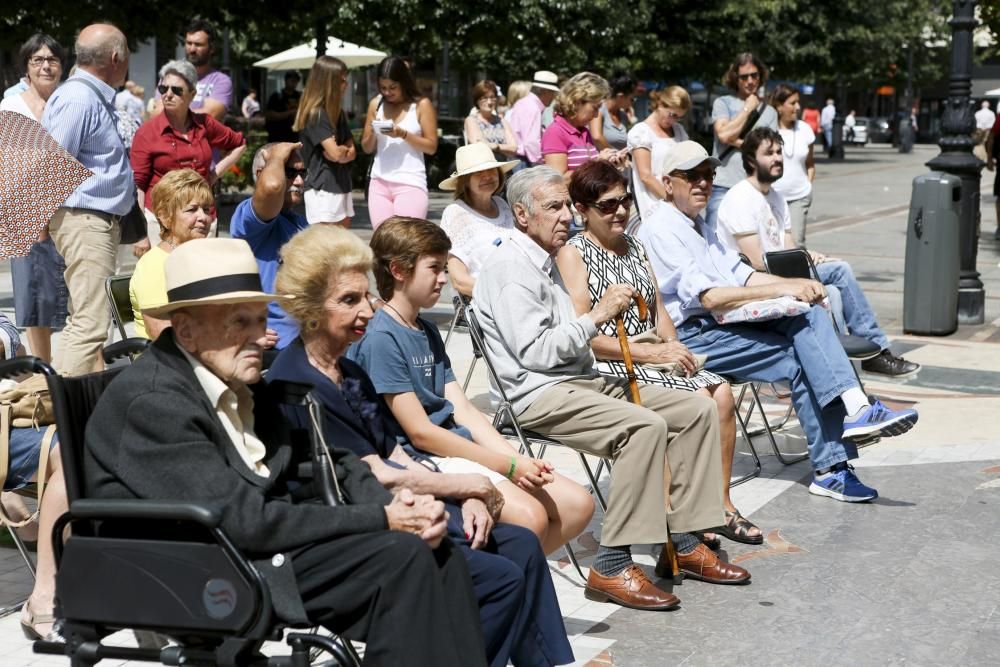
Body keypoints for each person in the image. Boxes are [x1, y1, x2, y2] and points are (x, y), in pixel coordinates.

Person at [86, 238, 488, 666]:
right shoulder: (155, 402)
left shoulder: (234, 376)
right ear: (185, 329)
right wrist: (382, 518)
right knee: (402, 557)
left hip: (248, 542)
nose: (261, 337)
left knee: (434, 551)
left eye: (261, 320)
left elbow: (324, 457)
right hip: (194, 566)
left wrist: (395, 502)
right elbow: (242, 521)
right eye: (240, 322)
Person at [268, 226, 575, 667]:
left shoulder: (348, 373)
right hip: (361, 526)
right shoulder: (296, 383)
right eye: (349, 300)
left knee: (522, 545)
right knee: (499, 577)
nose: (368, 311)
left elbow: (395, 450)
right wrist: (464, 486)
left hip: (403, 502)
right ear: (311, 308)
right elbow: (366, 475)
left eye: (366, 296)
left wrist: (465, 491)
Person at [475, 166, 750, 611]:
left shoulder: (542, 258)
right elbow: (537, 354)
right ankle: (611, 563)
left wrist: (632, 342)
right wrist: (597, 315)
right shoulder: (511, 267)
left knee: (694, 410)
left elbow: (568, 339)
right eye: (554, 207)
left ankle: (681, 538)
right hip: (537, 395)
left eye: (566, 205)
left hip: (577, 380)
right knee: (643, 427)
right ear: (522, 215)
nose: (565, 215)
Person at [635, 140, 919, 503]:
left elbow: (743, 275)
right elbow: (710, 297)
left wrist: (795, 285)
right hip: (690, 338)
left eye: (708, 175)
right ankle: (837, 455)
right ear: (667, 181)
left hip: (721, 325)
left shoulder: (698, 226)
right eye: (691, 176)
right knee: (803, 354)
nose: (703, 183)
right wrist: (781, 294)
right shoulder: (662, 228)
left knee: (809, 318)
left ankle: (854, 417)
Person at [351, 217, 595, 554]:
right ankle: (499, 591)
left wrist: (518, 459)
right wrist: (506, 466)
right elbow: (421, 433)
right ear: (398, 270)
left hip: (457, 447)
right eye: (434, 267)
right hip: (423, 458)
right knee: (531, 517)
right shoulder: (382, 338)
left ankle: (512, 584)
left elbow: (463, 409)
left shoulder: (425, 329)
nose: (444, 279)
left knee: (578, 505)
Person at [557, 159, 762, 544]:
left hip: (652, 352)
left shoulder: (635, 245)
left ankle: (719, 504)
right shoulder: (574, 253)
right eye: (607, 205)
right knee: (697, 397)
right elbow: (582, 335)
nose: (619, 211)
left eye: (625, 201)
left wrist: (672, 346)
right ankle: (678, 515)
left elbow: (660, 311)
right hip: (611, 362)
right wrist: (650, 355)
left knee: (721, 394)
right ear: (582, 210)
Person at [716, 128, 920, 378]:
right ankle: (875, 353)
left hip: (781, 274)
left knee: (833, 289)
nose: (778, 158)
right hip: (755, 285)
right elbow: (756, 263)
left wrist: (812, 257)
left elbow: (788, 248)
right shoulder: (740, 198)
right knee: (840, 271)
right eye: (769, 153)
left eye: (779, 152)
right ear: (750, 160)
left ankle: (845, 380)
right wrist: (806, 270)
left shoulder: (777, 198)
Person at [42, 23, 134, 376]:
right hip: (85, 220)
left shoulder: (85, 96)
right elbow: (52, 164)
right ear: (115, 58)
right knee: (92, 325)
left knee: (83, 320)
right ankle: (63, 415)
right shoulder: (79, 98)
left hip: (90, 220)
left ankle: (57, 410)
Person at [0, 33, 69, 363]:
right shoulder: (11, 104)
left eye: (52, 59)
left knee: (70, 300)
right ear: (26, 67)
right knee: (33, 301)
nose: (46, 65)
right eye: (38, 60)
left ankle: (72, 373)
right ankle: (44, 373)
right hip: (26, 215)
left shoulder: (70, 102)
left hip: (69, 214)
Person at [0, 314, 68, 642]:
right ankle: (43, 596)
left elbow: (8, 330)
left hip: (11, 410)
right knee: (69, 452)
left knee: (92, 437)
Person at [130, 59, 245, 216]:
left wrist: (214, 175)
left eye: (176, 90)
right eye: (163, 89)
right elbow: (138, 185)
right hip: (162, 220)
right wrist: (140, 233)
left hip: (202, 218)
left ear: (192, 94)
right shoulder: (147, 132)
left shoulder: (205, 123)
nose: (168, 95)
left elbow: (239, 144)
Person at [229, 142, 308, 351]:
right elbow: (271, 187)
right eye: (289, 172)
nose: (299, 181)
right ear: (260, 173)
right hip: (275, 347)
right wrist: (275, 157)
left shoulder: (300, 223)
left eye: (302, 172)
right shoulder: (248, 217)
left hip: (309, 340)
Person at [128, 169, 214, 340]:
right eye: (192, 210)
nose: (203, 217)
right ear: (165, 217)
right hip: (169, 360)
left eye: (206, 209)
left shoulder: (203, 258)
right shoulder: (154, 266)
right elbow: (163, 335)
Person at [361, 55, 438, 229]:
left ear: (404, 82)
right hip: (379, 182)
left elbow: (431, 147)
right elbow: (366, 148)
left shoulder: (421, 105)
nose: (387, 92)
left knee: (408, 241)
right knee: (383, 242)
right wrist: (374, 131)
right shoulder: (376, 104)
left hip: (410, 182)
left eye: (393, 87)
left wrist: (403, 134)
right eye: (383, 88)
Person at [707, 52, 778, 231]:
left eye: (754, 75)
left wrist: (735, 140)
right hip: (723, 185)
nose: (750, 81)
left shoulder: (769, 112)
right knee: (715, 240)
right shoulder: (723, 103)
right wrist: (747, 109)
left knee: (752, 240)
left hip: (755, 186)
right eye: (744, 77)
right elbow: (723, 135)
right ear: (735, 79)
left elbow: (768, 149)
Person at [439, 143, 519, 298]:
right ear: (465, 180)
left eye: (491, 170)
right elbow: (459, 280)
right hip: (481, 302)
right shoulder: (455, 213)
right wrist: (503, 296)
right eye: (478, 172)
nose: (487, 176)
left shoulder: (503, 205)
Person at [294, 56, 356, 228]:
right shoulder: (317, 114)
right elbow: (337, 154)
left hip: (340, 184)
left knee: (341, 245)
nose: (346, 85)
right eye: (342, 80)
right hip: (322, 187)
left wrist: (340, 150)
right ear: (329, 83)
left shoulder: (338, 113)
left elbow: (350, 152)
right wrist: (341, 151)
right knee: (325, 247)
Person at [628, 85, 691, 225]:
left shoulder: (679, 131)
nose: (674, 120)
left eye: (679, 117)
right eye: (672, 115)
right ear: (661, 104)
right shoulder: (641, 132)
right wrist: (672, 202)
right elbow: (646, 176)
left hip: (680, 201)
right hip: (654, 203)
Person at [542, 72, 623, 182]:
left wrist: (609, 163)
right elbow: (558, 180)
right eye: (595, 108)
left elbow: (587, 172)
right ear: (577, 102)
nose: (595, 115)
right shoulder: (555, 132)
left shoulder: (584, 131)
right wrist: (598, 163)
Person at [152, 20, 232, 120]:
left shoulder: (221, 81)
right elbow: (156, 114)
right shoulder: (170, 77)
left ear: (212, 48)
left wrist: (172, 115)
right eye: (189, 43)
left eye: (198, 45)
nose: (192, 49)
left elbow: (209, 116)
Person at [769, 83, 815, 246]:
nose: (798, 107)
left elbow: (810, 163)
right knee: (771, 244)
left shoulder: (805, 130)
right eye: (792, 103)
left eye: (798, 102)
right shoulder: (768, 130)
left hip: (799, 197)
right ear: (779, 106)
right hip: (771, 198)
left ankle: (796, 273)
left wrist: (808, 185)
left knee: (796, 245)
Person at [506, 71, 560, 169]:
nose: (553, 97)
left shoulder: (525, 103)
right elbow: (531, 142)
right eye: (552, 93)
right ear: (544, 91)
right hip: (525, 162)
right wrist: (543, 164)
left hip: (520, 160)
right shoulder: (533, 108)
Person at [464, 79, 518, 161]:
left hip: (503, 167)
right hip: (482, 167)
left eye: (492, 97)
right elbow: (478, 146)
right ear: (477, 100)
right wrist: (504, 148)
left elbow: (514, 148)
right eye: (484, 98)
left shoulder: (502, 121)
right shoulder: (471, 120)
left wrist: (496, 147)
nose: (489, 102)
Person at [590, 71, 636, 152]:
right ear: (620, 96)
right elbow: (596, 137)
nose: (633, 102)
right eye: (632, 99)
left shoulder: (623, 116)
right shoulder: (599, 109)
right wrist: (615, 155)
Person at [265, 71, 301, 142]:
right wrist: (290, 113)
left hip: (294, 136)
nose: (294, 84)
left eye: (296, 81)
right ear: (285, 80)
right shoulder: (276, 96)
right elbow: (269, 115)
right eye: (292, 81)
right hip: (278, 136)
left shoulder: (300, 96)